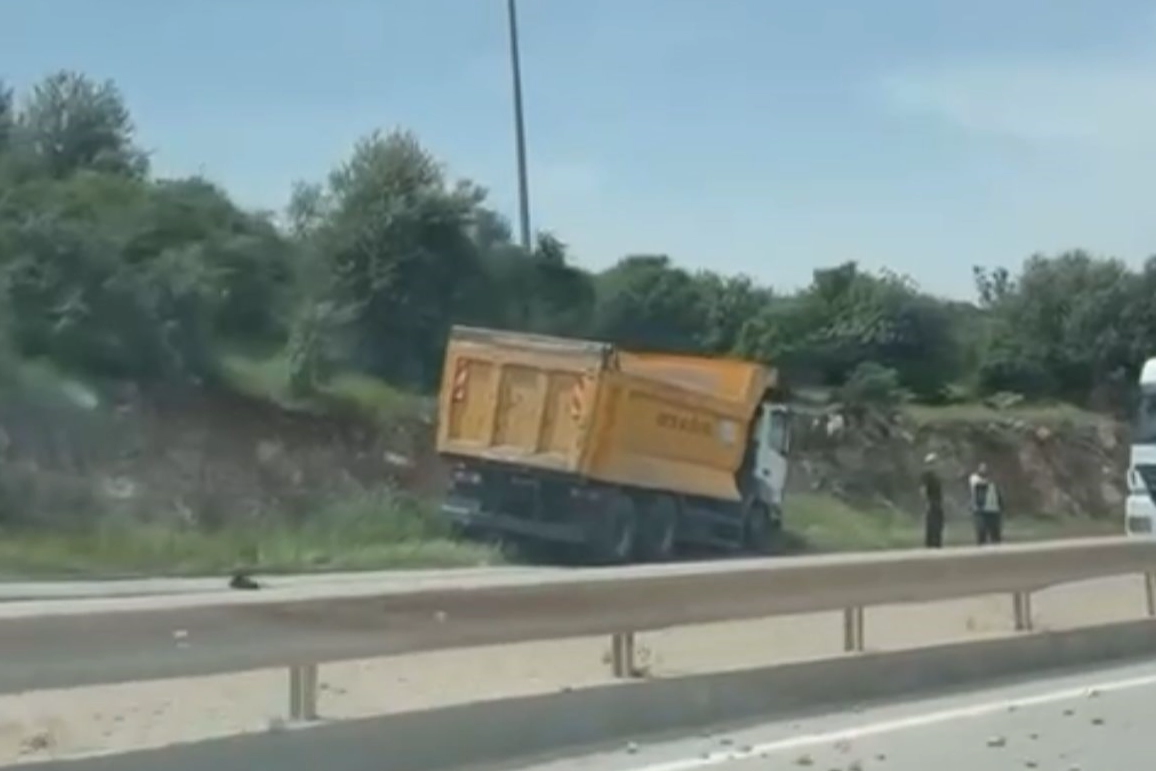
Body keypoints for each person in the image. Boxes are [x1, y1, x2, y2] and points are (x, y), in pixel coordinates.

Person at [968, 462, 1003, 545]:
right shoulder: (974, 479)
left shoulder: (993, 482)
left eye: (985, 468)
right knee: (981, 532)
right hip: (981, 510)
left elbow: (998, 494)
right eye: (982, 468)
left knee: (995, 533)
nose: (984, 470)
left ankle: (996, 547)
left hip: (994, 509)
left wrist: (1000, 505)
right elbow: (980, 484)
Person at [920, 453, 945, 548]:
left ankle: (937, 542)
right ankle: (930, 543)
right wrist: (927, 502)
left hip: (937, 502)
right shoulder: (926, 475)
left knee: (939, 523)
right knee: (931, 523)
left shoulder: (936, 476)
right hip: (931, 502)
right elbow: (923, 490)